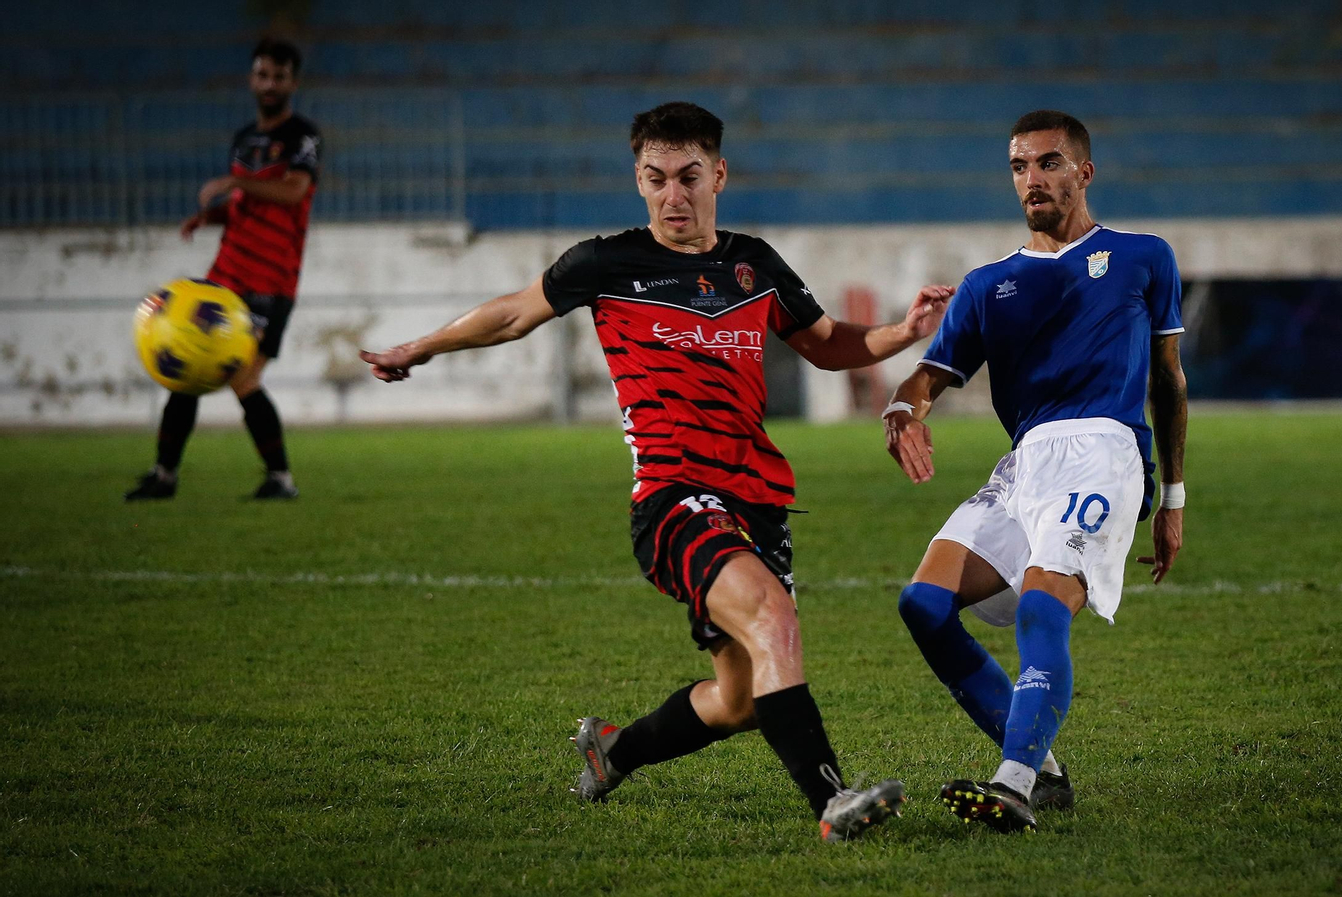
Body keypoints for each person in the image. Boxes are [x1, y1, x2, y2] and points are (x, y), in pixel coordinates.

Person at [359, 102, 951, 841]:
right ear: (638, 181)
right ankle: (832, 804)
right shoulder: (606, 263)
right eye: (656, 178)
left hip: (758, 496)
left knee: (739, 697)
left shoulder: (754, 264)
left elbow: (826, 342)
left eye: (688, 177)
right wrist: (420, 347)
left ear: (719, 176)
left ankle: (616, 749)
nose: (673, 195)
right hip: (674, 498)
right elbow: (512, 314)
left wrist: (903, 329)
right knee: (773, 616)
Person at [882, 110, 1189, 833]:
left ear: (1084, 171)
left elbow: (1168, 382)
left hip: (1107, 453)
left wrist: (1172, 496)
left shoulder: (1145, 256)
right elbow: (927, 376)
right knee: (922, 604)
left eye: (1049, 163)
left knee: (1044, 604)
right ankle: (1043, 770)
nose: (1032, 179)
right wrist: (902, 409)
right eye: (1019, 166)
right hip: (1026, 464)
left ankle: (1012, 782)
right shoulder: (990, 285)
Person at [125, 38, 320, 501]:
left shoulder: (302, 136)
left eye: (278, 76)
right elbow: (244, 205)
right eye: (262, 75)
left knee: (245, 379)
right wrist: (210, 217)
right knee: (185, 368)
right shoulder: (244, 139)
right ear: (252, 79)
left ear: (292, 82)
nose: (269, 84)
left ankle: (281, 480)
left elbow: (293, 193)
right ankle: (164, 476)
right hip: (225, 277)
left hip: (271, 282)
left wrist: (237, 181)